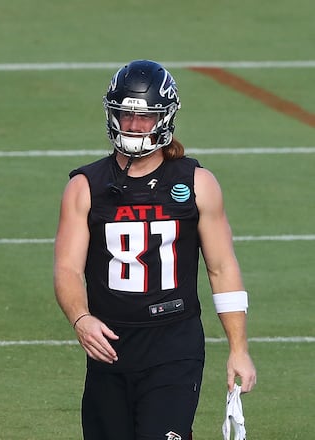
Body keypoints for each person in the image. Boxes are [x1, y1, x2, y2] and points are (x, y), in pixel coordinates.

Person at [53, 59, 257, 440]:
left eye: (144, 117)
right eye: (125, 115)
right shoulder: (85, 185)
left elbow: (222, 267)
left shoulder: (197, 182)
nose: (132, 126)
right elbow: (67, 268)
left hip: (173, 342)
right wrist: (80, 318)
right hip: (110, 345)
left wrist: (238, 348)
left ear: (164, 117)